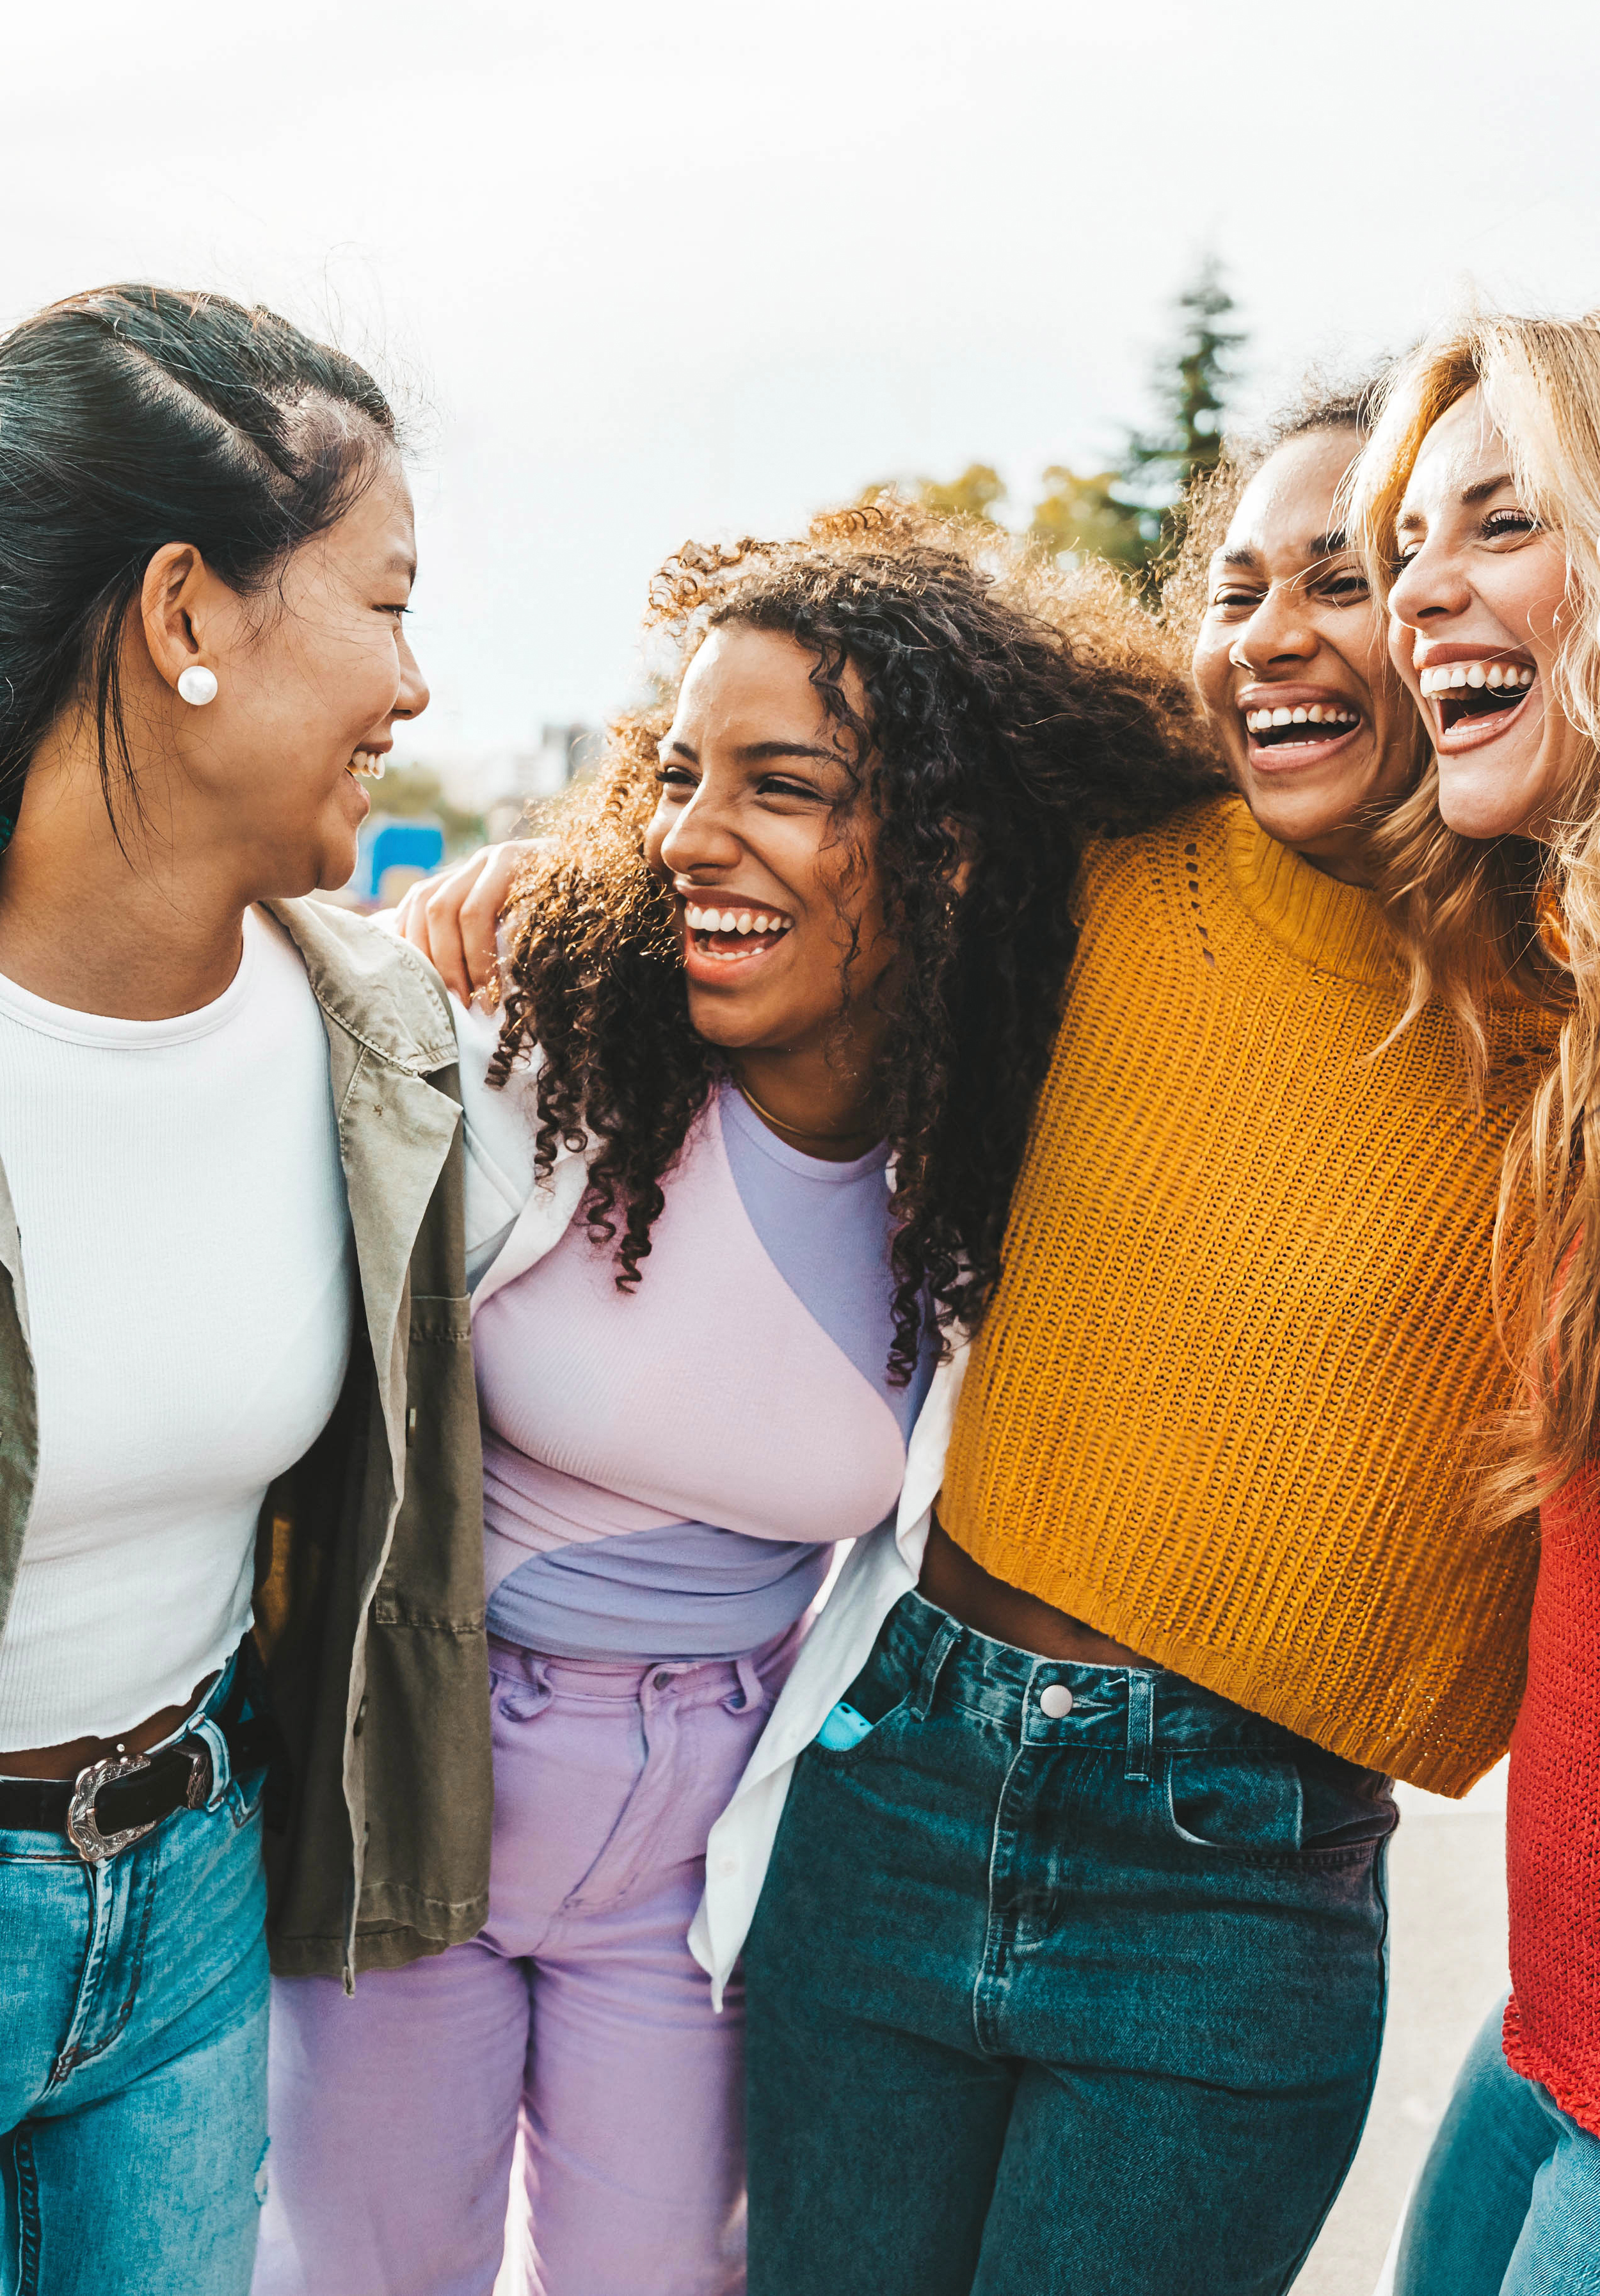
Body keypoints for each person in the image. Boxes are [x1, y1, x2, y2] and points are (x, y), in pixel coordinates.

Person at [399, 389, 1557, 2296]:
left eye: (1339, 577)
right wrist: (549, 879)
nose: (1270, 628)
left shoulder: (1556, 999)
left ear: (1446, 618)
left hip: (1231, 1883)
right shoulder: (1095, 876)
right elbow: (790, 838)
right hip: (902, 1774)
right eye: (1236, 582)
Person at [255, 504, 1212, 2296]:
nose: (692, 834)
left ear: (938, 848)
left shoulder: (999, 1161)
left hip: (708, 1846)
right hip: (421, 1774)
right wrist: (475, 895)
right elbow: (288, 1027)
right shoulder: (531, 1042)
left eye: (780, 784)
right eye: (677, 773)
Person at [0, 284, 491, 2296]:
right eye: (383, 603)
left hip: (190, 1892)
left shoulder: (370, 1025)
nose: (418, 682)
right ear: (188, 615)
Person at [1351, 312, 1600, 2296]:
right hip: (1549, 2022)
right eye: (1403, 542)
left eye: (1501, 520)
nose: (1416, 587)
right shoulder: (1551, 999)